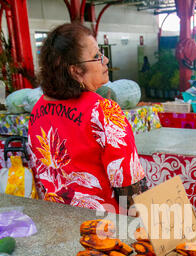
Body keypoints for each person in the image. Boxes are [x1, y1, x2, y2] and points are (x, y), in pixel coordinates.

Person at [28, 23, 147, 214]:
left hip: (56, 220)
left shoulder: (37, 110)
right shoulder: (103, 110)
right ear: (75, 70)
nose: (105, 60)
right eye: (96, 57)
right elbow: (130, 185)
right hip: (103, 228)